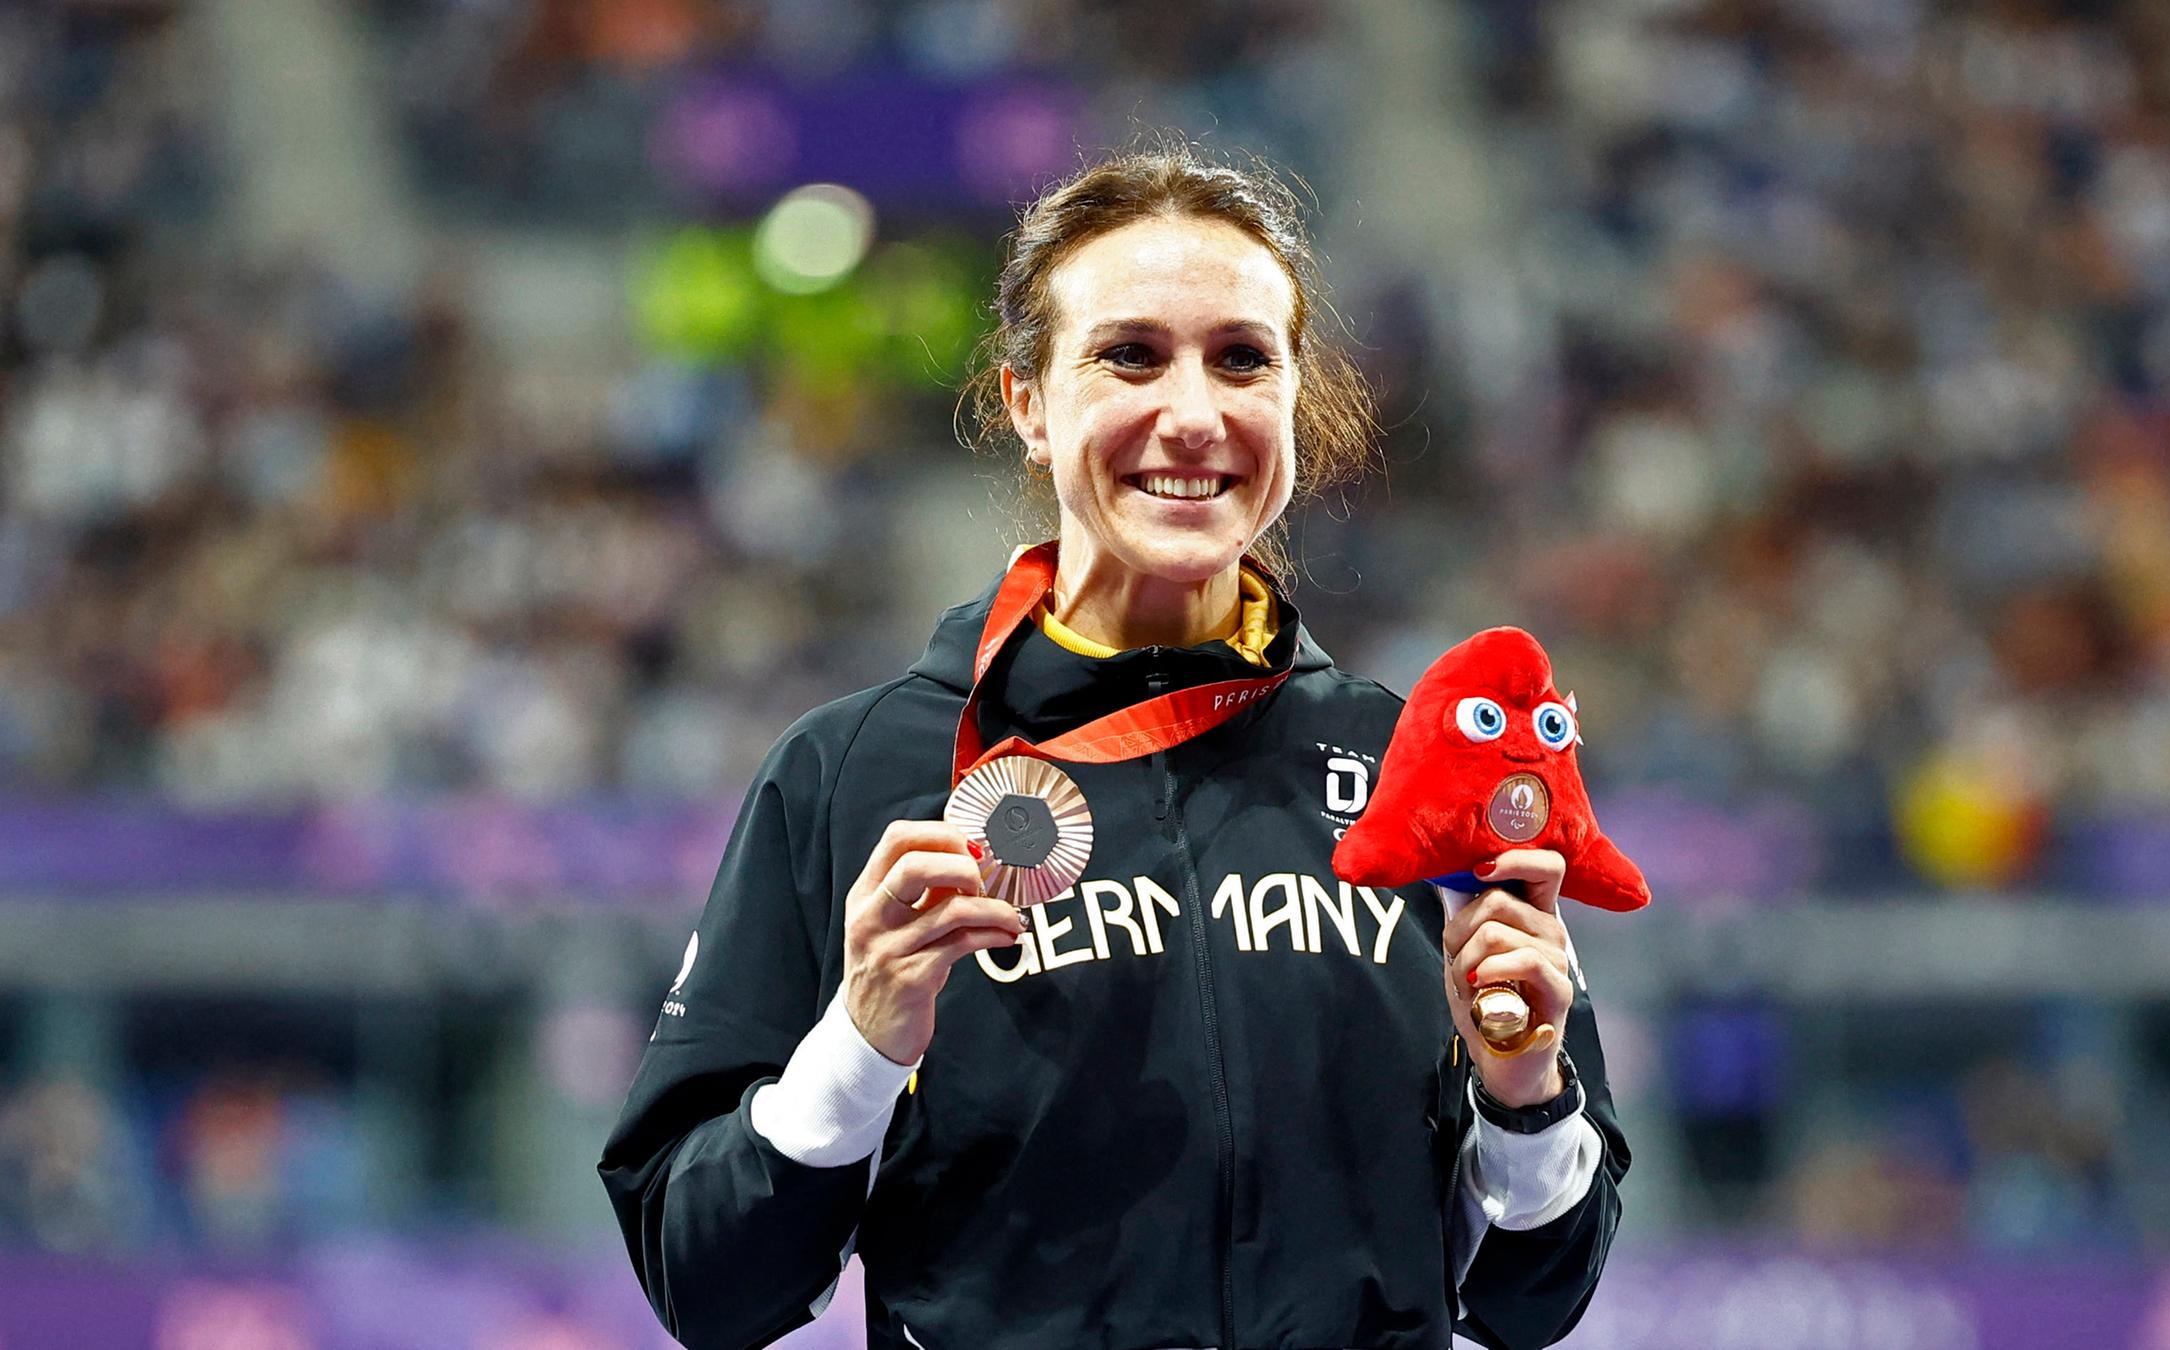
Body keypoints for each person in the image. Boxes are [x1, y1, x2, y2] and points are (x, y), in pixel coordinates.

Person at [598, 143, 1630, 1350]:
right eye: (1130, 355)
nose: (1193, 416)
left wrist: (1522, 1095)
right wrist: (862, 1042)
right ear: (1029, 402)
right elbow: (705, 1282)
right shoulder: (856, 771)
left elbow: (1531, 1298)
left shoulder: (1420, 770)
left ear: (1296, 400)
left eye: (1244, 360)